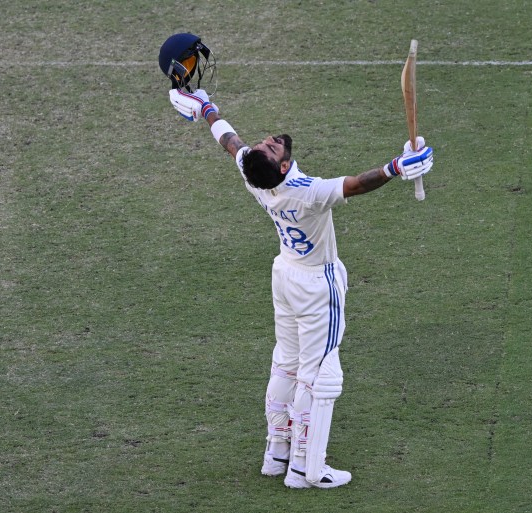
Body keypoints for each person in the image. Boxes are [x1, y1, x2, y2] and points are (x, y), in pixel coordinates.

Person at [161, 37, 433, 490]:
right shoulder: (306, 192)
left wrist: (204, 107)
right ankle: (309, 470)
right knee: (320, 375)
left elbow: (230, 141)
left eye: (266, 144)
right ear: (283, 167)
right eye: (271, 147)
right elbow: (357, 185)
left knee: (286, 364)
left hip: (284, 276)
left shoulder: (256, 177)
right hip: (317, 287)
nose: (269, 141)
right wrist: (399, 167)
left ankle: (277, 452)